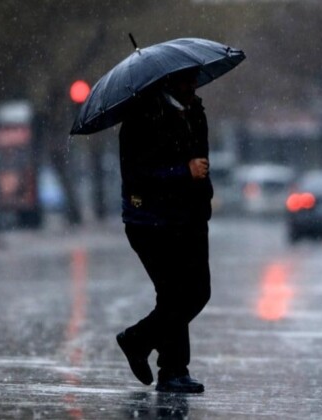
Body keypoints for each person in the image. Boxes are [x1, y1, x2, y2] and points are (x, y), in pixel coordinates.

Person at [115, 66, 211, 394]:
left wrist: (201, 195)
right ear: (169, 81)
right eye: (187, 79)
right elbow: (138, 176)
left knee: (197, 292)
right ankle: (170, 369)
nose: (193, 85)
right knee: (176, 294)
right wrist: (182, 172)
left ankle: (142, 344)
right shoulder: (142, 117)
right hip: (152, 222)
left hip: (191, 217)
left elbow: (202, 160)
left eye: (195, 78)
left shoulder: (195, 111)